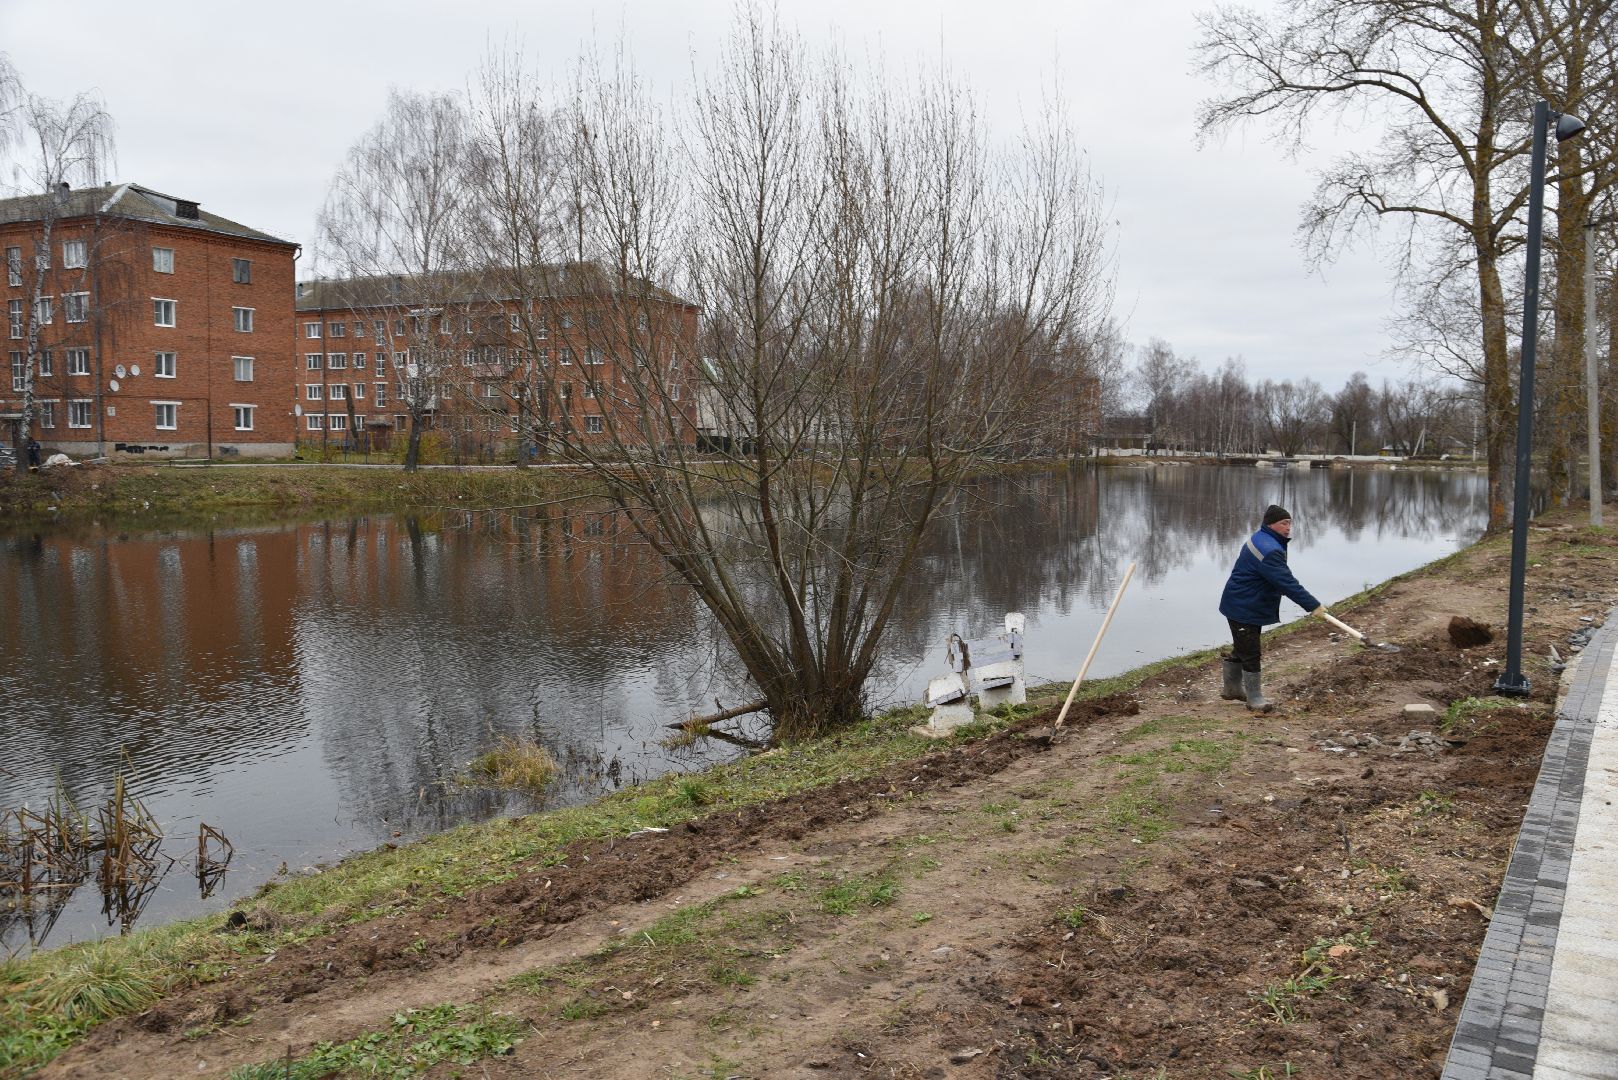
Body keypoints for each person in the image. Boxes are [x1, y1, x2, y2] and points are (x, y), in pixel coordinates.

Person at [1217, 504, 1321, 714]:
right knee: (1251, 651)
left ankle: (1232, 688)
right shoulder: (1269, 549)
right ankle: (1254, 698)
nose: (1288, 527)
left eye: (1290, 522)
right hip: (1243, 605)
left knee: (1243, 646)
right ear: (1270, 524)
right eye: (1284, 523)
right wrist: (1313, 605)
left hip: (1245, 602)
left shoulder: (1263, 538)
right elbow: (1287, 583)